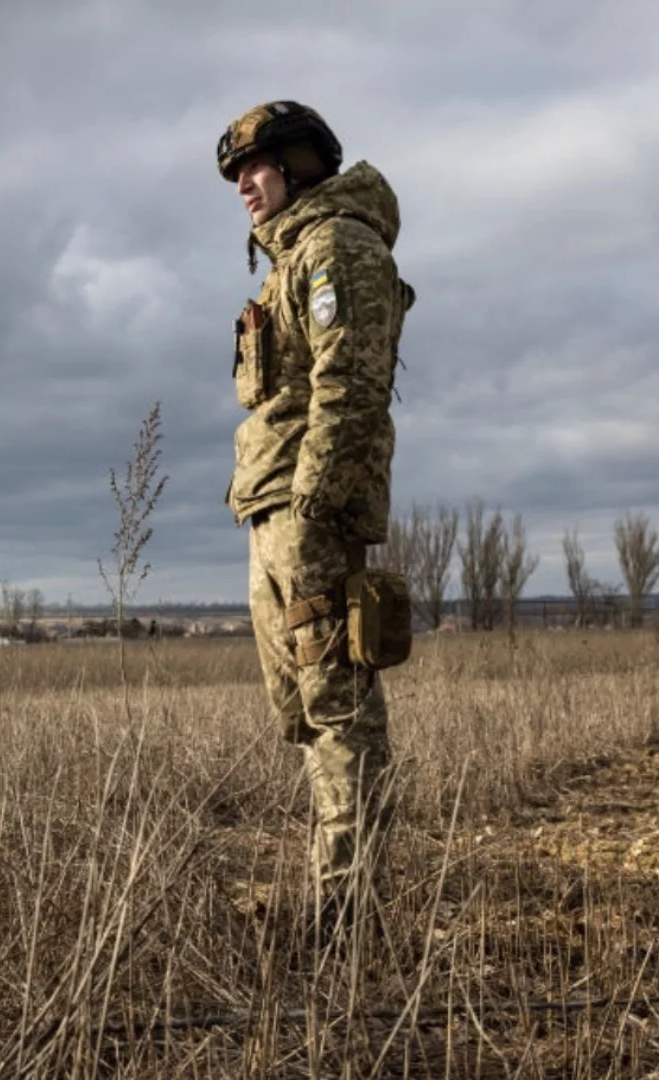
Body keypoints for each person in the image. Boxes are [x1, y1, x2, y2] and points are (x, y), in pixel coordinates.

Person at [217, 101, 415, 937]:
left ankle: (349, 910)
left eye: (254, 170)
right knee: (301, 712)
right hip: (272, 511)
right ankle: (334, 884)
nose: (243, 189)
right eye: (235, 178)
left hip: (309, 512)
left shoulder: (337, 246)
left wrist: (314, 503)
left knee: (337, 708)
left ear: (301, 164)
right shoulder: (285, 262)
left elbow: (351, 381)